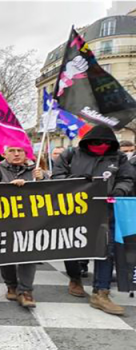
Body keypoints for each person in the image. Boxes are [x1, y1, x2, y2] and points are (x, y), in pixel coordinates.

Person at [52, 125, 134, 316]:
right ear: (88, 141)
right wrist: (78, 180)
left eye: (106, 143)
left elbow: (127, 178)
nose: (102, 146)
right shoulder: (70, 155)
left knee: (107, 249)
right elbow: (57, 177)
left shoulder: (119, 157)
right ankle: (75, 278)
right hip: (75, 210)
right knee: (73, 246)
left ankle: (101, 292)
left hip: (107, 211)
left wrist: (120, 190)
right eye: (98, 142)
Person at [0, 144, 48, 308]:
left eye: (20, 151)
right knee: (5, 253)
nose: (16, 154)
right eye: (12, 151)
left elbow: (52, 192)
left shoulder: (35, 170)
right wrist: (9, 188)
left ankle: (26, 291)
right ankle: (11, 285)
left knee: (29, 254)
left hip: (30, 220)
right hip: (3, 220)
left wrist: (43, 178)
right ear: (4, 154)